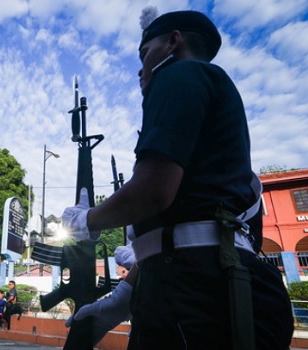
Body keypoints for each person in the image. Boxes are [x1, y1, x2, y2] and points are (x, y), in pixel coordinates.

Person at [61, 8, 294, 349]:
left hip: (193, 291)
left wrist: (87, 221)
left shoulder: (177, 75)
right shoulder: (209, 85)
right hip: (209, 281)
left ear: (173, 42)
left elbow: (153, 193)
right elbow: (180, 230)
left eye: (144, 55)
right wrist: (124, 296)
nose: (141, 70)